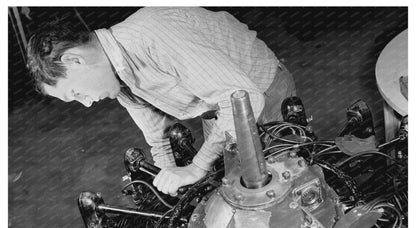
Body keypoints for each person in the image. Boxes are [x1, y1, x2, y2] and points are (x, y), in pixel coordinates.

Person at [26, 7, 296, 196]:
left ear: (75, 60)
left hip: (262, 93)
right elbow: (160, 137)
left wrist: (196, 167)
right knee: (233, 192)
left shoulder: (153, 36)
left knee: (284, 191)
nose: (86, 103)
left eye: (76, 93)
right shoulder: (118, 78)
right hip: (217, 109)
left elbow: (241, 98)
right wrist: (169, 182)